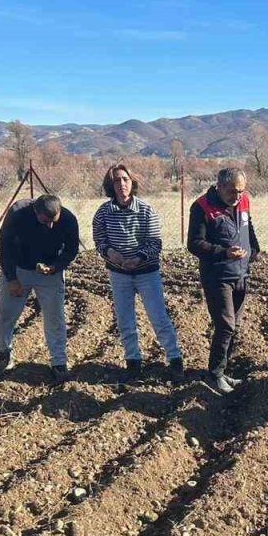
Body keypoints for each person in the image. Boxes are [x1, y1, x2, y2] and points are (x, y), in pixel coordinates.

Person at [92, 164, 185, 383]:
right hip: (118, 273)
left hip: (146, 272)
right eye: (116, 180)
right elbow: (100, 240)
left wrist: (138, 258)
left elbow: (155, 243)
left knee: (158, 317)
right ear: (110, 185)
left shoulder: (145, 210)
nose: (121, 184)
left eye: (125, 179)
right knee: (125, 319)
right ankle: (133, 361)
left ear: (132, 182)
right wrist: (111, 254)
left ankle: (175, 360)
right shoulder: (103, 213)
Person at [0, 194, 78, 383]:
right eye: (46, 221)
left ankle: (59, 362)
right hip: (19, 269)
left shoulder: (68, 219)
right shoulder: (17, 213)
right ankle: (3, 354)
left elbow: (71, 250)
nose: (50, 226)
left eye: (54, 221)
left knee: (55, 317)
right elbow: (5, 246)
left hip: (50, 274)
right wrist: (11, 279)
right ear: (35, 212)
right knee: (5, 314)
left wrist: (55, 267)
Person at [188, 167, 260, 394]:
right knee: (225, 326)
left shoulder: (244, 201)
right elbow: (194, 243)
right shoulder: (202, 207)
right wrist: (223, 252)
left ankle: (223, 370)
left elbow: (248, 227)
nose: (237, 196)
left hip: (241, 274)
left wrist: (254, 250)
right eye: (232, 191)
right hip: (217, 276)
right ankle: (215, 374)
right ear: (219, 187)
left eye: (241, 191)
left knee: (234, 326)